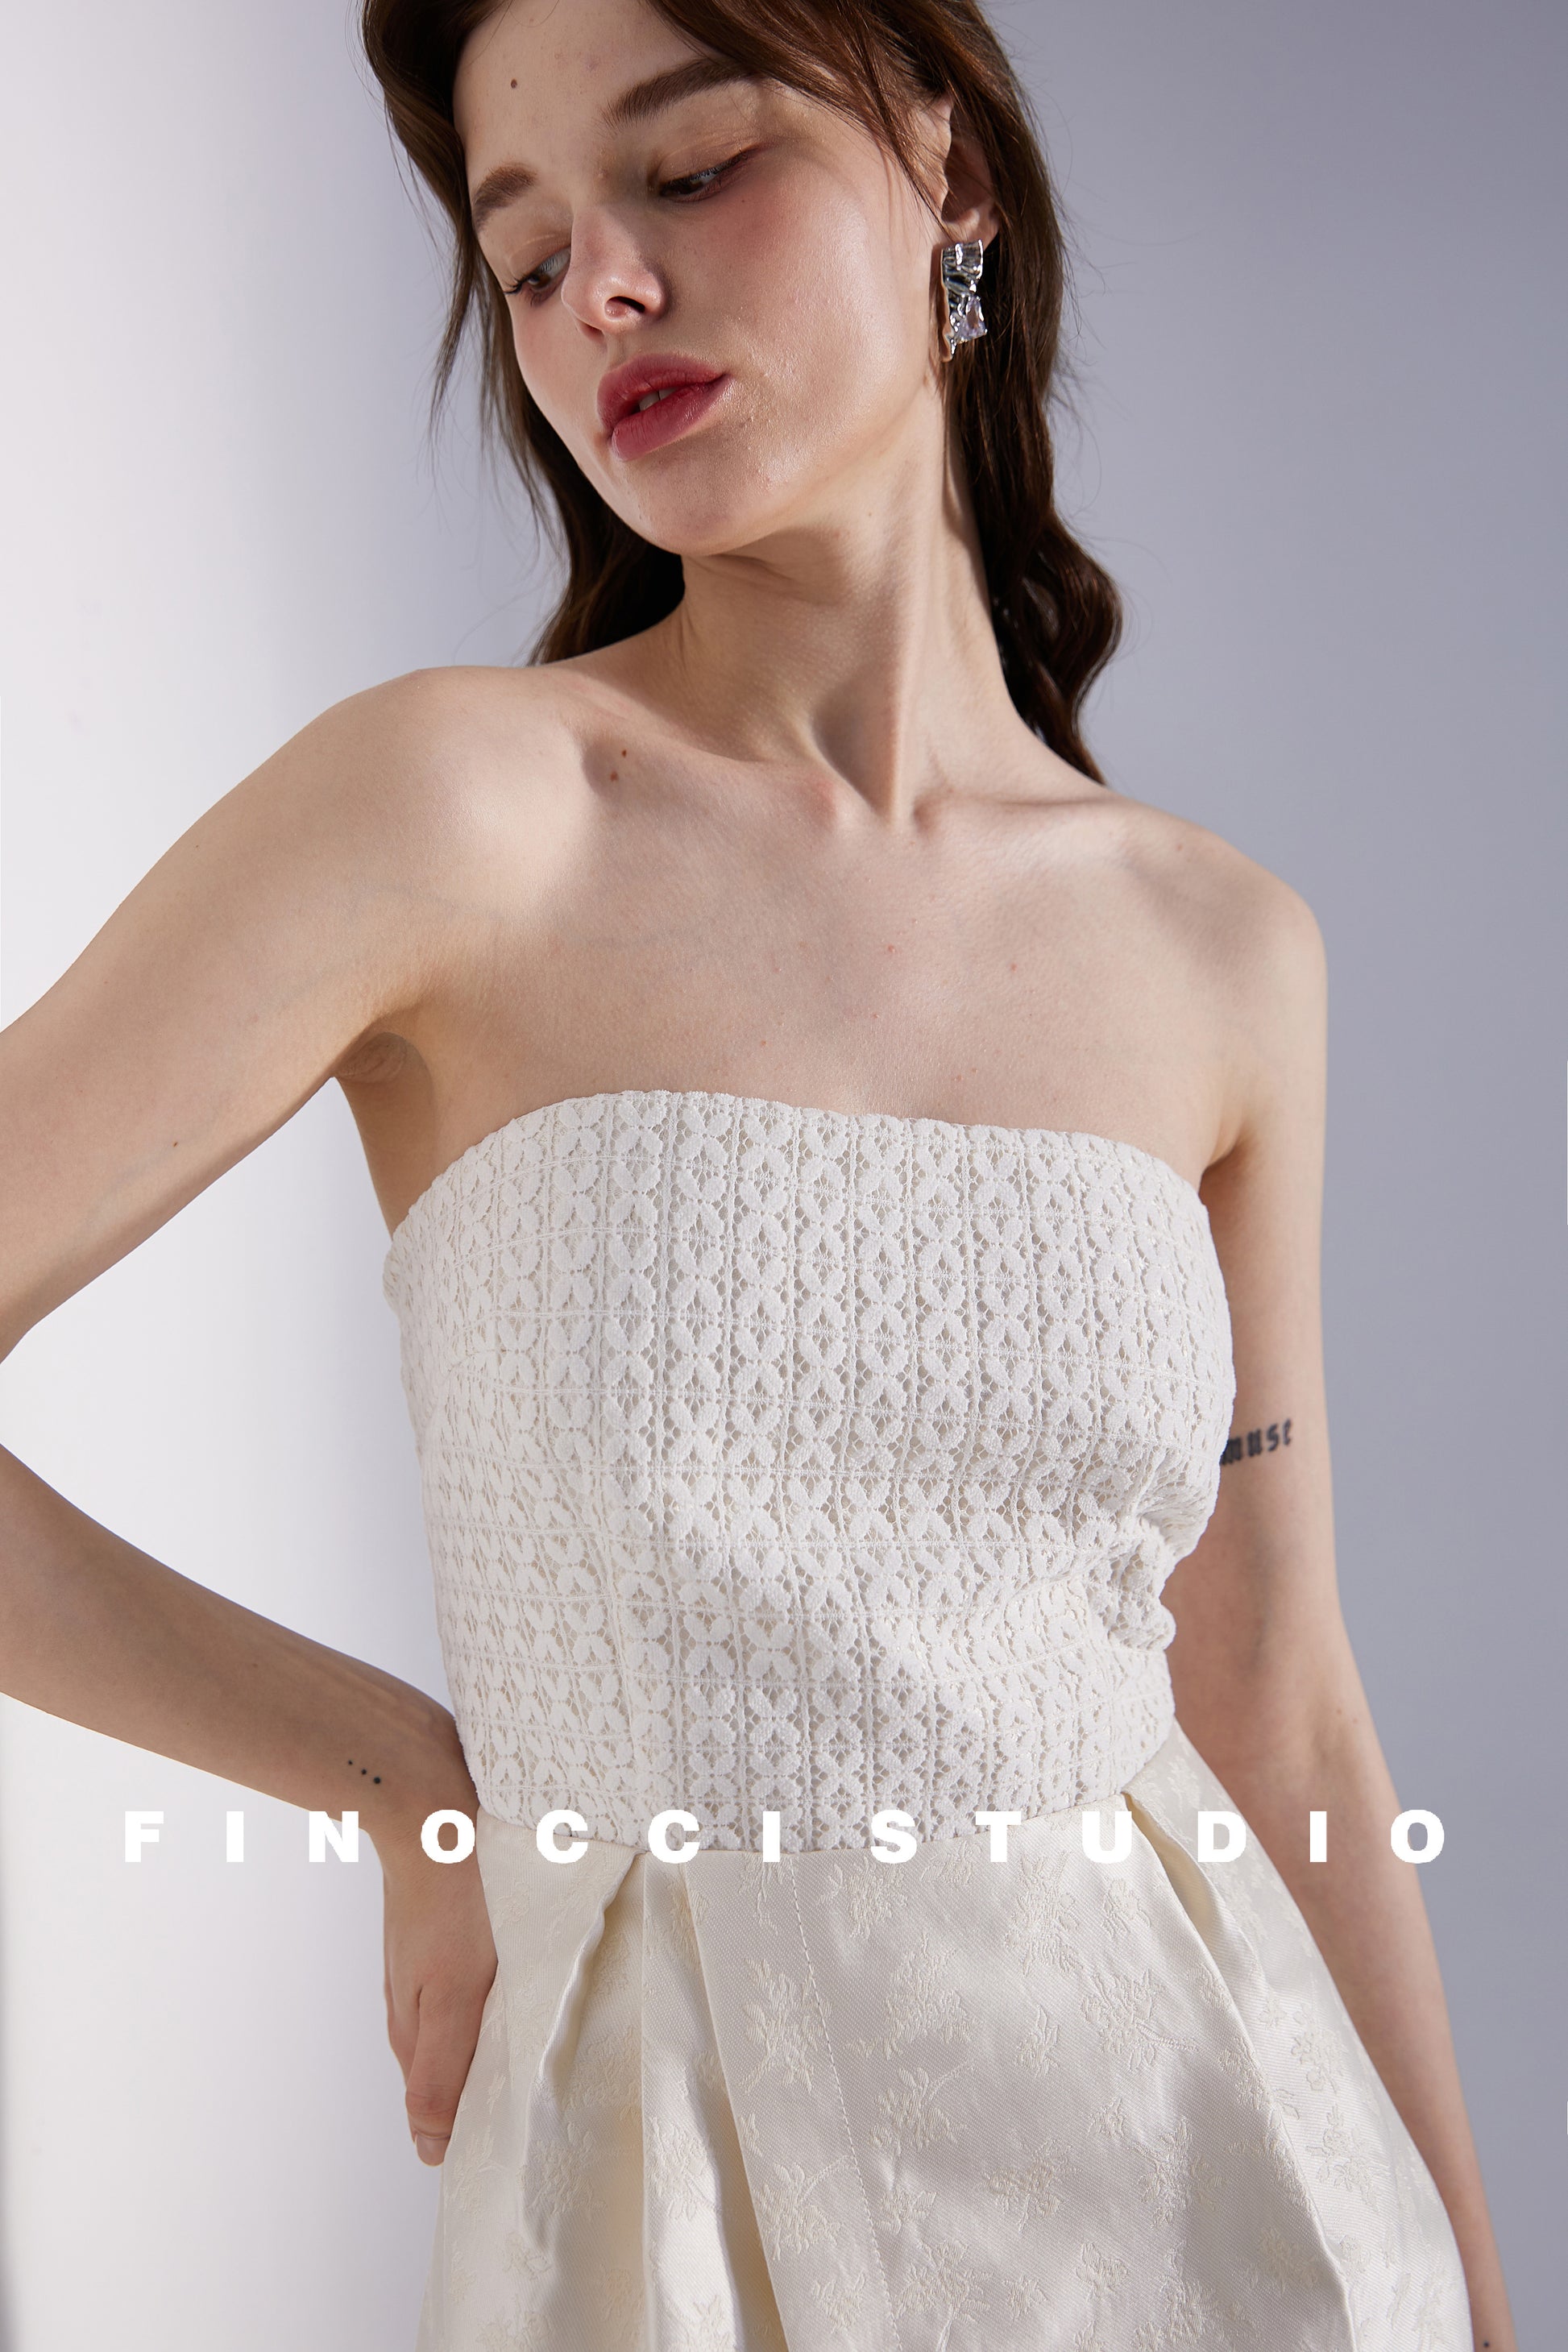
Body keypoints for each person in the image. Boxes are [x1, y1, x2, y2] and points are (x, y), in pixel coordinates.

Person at [0, 0, 1513, 2343]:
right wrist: (401, 1783)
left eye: (693, 169)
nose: (601, 290)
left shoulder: (1219, 948)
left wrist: (1480, 2295)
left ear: (952, 172)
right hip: (679, 2229)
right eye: (525, 258)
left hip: (1228, 2206)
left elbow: (1279, 1701)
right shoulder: (458, 814)